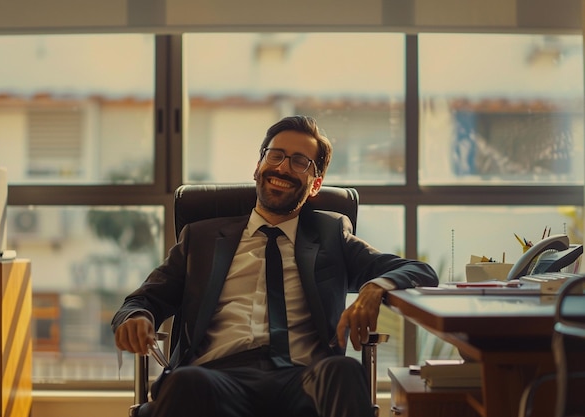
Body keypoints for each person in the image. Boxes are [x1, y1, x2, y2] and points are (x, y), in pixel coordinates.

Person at [112, 115, 439, 417]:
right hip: (216, 376)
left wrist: (375, 287)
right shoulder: (201, 238)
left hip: (305, 379)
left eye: (300, 161)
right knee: (187, 383)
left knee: (344, 371)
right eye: (276, 155)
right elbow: (141, 301)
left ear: (314, 184)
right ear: (258, 165)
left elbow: (420, 271)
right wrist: (137, 317)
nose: (283, 168)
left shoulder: (331, 235)